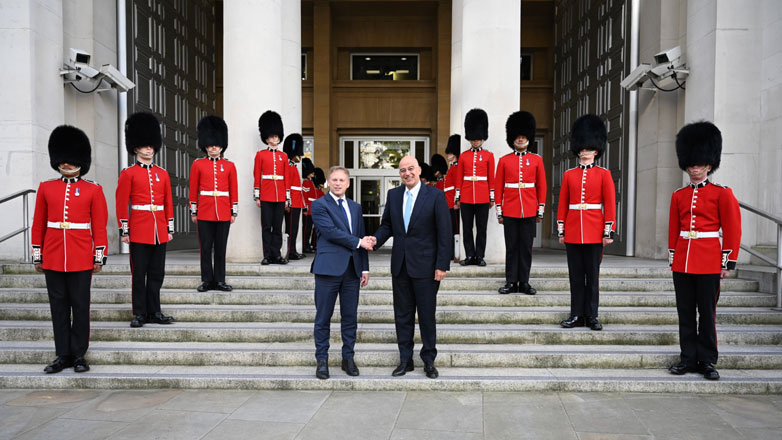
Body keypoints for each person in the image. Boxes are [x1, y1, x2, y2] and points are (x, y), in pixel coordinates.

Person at [31, 125, 108, 374]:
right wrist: (37, 254)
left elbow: (98, 225)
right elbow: (38, 223)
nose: (65, 164)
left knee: (80, 307)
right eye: (62, 160)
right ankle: (61, 354)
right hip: (53, 256)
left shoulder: (93, 189)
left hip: (81, 256)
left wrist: (99, 255)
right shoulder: (46, 187)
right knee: (58, 308)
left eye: (70, 159)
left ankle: (79, 355)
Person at [668, 121, 741, 381]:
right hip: (683, 263)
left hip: (709, 260)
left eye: (699, 164)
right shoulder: (679, 195)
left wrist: (727, 262)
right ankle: (687, 358)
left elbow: (732, 230)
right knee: (685, 313)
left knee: (707, 314)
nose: (694, 168)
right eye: (691, 164)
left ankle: (708, 360)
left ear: (709, 165)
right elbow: (674, 230)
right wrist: (673, 258)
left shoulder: (723, 194)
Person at [372, 156, 452, 379]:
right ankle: (405, 360)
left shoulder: (435, 195)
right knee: (403, 316)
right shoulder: (394, 195)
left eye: (410, 169)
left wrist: (442, 265)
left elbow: (444, 232)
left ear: (418, 170)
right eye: (402, 170)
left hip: (427, 268)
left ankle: (428, 360)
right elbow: (387, 225)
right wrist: (375, 240)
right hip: (400, 267)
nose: (406, 173)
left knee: (427, 316)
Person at [310, 166, 372, 379]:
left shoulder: (355, 207)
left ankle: (348, 359)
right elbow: (330, 232)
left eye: (341, 180)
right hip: (328, 270)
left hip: (352, 271)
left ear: (348, 183)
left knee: (349, 317)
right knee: (323, 318)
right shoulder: (319, 205)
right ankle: (322, 361)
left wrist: (364, 267)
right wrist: (358, 242)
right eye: (334, 179)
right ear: (328, 182)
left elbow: (361, 235)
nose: (337, 183)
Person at [116, 112, 175, 328]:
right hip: (139, 229)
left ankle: (155, 311)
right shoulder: (128, 173)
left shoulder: (163, 174)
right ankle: (139, 312)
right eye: (144, 145)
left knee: (157, 274)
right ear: (136, 148)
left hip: (159, 229)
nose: (149, 149)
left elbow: (168, 202)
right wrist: (125, 230)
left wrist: (169, 227)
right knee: (139, 274)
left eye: (151, 145)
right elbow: (122, 203)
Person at [557, 114, 616, 331]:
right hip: (573, 231)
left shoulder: (604, 174)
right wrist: (561, 230)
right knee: (575, 276)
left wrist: (608, 231)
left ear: (596, 150)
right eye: (581, 148)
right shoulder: (569, 175)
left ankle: (591, 315)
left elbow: (610, 205)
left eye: (587, 148)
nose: (584, 152)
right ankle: (575, 314)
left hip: (594, 231)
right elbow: (563, 204)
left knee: (592, 276)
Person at [495, 111, 547, 295]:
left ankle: (524, 281)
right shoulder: (504, 161)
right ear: (513, 138)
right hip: (509, 210)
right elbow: (498, 187)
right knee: (512, 248)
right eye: (518, 136)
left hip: (529, 210)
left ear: (529, 138)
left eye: (524, 136)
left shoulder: (536, 160)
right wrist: (499, 212)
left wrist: (540, 210)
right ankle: (511, 281)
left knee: (526, 248)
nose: (521, 139)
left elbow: (542, 186)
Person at [189, 115, 237, 292]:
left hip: (223, 211)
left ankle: (220, 280)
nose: (213, 147)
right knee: (206, 248)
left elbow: (233, 189)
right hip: (204, 211)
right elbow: (193, 189)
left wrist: (233, 211)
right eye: (210, 145)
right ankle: (207, 280)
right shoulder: (198, 164)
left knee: (220, 248)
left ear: (222, 145)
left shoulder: (229, 166)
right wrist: (194, 211)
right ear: (205, 145)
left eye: (216, 144)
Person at [455, 109, 495, 266]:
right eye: (473, 138)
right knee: (467, 229)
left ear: (483, 138)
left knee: (481, 229)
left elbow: (492, 178)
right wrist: (457, 198)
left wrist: (491, 197)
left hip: (483, 196)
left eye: (478, 138)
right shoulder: (464, 156)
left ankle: (480, 256)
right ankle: (470, 255)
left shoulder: (488, 156)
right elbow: (459, 179)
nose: (476, 141)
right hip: (466, 196)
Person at [253, 110, 289, 265]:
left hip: (280, 195)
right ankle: (267, 254)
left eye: (276, 136)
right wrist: (257, 195)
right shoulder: (260, 155)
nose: (274, 138)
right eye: (272, 136)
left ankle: (277, 254)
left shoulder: (284, 156)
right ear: (266, 138)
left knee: (278, 227)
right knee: (266, 227)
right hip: (266, 195)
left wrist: (287, 198)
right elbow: (257, 175)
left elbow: (286, 178)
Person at [444, 135, 461, 262]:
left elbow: (457, 186)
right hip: (448, 203)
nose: (448, 155)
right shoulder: (453, 167)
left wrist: (456, 201)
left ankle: (454, 254)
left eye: (450, 153)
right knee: (449, 230)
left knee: (454, 230)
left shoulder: (457, 167)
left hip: (452, 204)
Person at [301, 158, 316, 253]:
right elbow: (306, 196)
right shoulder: (306, 182)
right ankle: (304, 245)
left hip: (312, 209)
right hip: (308, 209)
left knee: (308, 229)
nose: (313, 174)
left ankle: (307, 245)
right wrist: (305, 208)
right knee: (306, 229)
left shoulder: (310, 182)